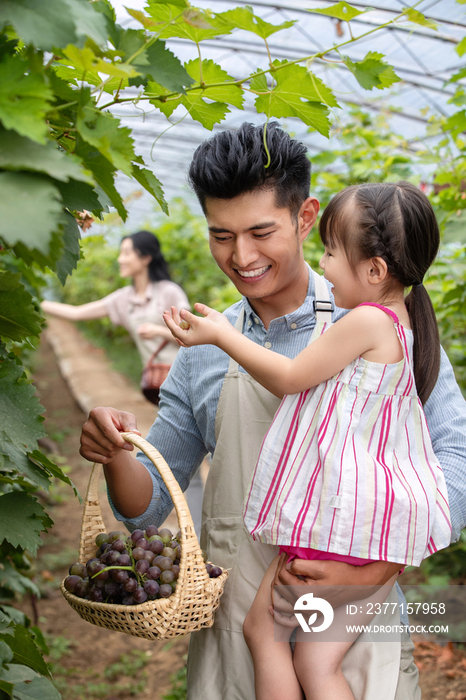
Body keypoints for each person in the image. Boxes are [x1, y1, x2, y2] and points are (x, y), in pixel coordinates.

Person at [78, 123, 466, 700]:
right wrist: (115, 453)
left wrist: (378, 566)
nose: (242, 256)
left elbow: (454, 460)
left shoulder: (377, 327)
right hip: (240, 633)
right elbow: (149, 510)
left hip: (356, 624)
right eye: (221, 235)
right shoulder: (204, 352)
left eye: (261, 231)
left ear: (306, 217)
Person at [163, 180, 452, 700]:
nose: (325, 262)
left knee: (263, 633)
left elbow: (292, 377)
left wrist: (222, 335)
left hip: (328, 531)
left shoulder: (365, 320)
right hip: (370, 540)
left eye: (332, 250)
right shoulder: (409, 328)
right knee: (318, 664)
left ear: (376, 271)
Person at [42, 230, 203, 536]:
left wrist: (158, 332)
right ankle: (194, 536)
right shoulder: (124, 300)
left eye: (127, 252)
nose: (120, 258)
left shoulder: (168, 292)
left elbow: (193, 333)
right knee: (181, 460)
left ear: (145, 257)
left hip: (190, 381)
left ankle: (200, 536)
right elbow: (77, 313)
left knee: (196, 460)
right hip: (161, 389)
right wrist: (35, 302)